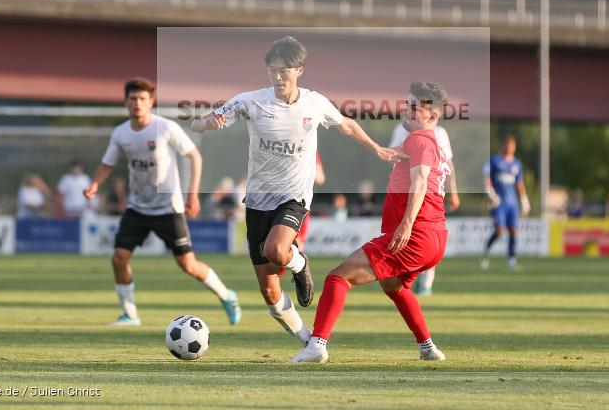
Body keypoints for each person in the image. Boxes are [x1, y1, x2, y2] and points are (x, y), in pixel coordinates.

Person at [192, 36, 400, 349]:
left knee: (278, 251)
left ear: (299, 70)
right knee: (270, 292)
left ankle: (299, 265)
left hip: (294, 195)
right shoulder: (251, 101)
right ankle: (307, 340)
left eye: (284, 70)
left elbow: (345, 124)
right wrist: (208, 123)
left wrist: (375, 148)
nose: (277, 77)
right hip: (259, 199)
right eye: (272, 70)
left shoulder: (314, 103)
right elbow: (198, 123)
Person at [292, 81, 451, 363]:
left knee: (337, 277)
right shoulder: (428, 144)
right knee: (394, 287)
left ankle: (317, 345)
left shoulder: (420, 141)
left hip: (415, 235)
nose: (409, 110)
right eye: (409, 104)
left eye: (417, 108)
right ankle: (427, 347)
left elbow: (421, 181)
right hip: (435, 239)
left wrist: (405, 225)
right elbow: (402, 162)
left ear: (433, 116)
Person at [85, 78, 241, 327]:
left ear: (151, 102)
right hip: (137, 207)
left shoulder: (165, 128)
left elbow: (194, 156)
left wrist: (192, 194)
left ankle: (227, 296)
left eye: (142, 99)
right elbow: (108, 164)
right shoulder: (120, 133)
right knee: (118, 258)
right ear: (126, 102)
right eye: (133, 99)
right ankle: (129, 314)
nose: (138, 103)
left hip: (168, 208)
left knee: (188, 265)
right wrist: (94, 184)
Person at [389, 122, 460, 296]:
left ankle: (425, 285)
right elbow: (391, 155)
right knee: (402, 235)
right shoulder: (402, 130)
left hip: (432, 193)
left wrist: (454, 191)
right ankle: (401, 280)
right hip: (406, 191)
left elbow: (448, 164)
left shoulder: (440, 132)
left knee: (428, 236)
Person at [481, 134, 531, 270]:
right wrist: (490, 193)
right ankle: (486, 251)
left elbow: (519, 183)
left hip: (512, 203)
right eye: (507, 144)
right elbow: (486, 177)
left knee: (513, 231)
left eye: (512, 145)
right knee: (500, 230)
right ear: (503, 145)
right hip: (498, 203)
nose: (509, 147)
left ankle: (512, 260)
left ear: (515, 147)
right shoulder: (494, 160)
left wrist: (524, 200)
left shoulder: (517, 164)